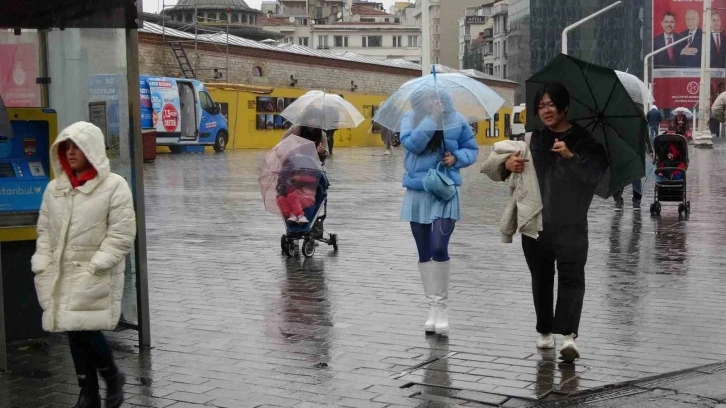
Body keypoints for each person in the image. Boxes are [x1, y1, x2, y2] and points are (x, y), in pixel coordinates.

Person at [490, 82, 607, 362]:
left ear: (564, 106)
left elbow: (596, 176)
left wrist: (571, 156)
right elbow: (504, 169)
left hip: (572, 223)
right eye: (541, 106)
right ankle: (544, 330)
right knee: (541, 279)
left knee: (572, 278)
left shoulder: (584, 139)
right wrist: (508, 167)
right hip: (537, 222)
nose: (546, 110)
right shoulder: (533, 139)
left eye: (551, 104)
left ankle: (568, 336)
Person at [31, 122, 136, 408]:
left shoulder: (115, 186)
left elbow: (122, 233)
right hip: (61, 274)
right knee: (73, 330)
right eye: (67, 146)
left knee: (85, 330)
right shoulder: (55, 189)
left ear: (91, 149)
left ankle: (111, 376)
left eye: (77, 146)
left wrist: (97, 264)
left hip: (94, 273)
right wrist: (42, 263)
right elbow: (44, 231)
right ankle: (88, 390)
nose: (71, 152)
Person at [401, 88, 479, 336]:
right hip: (417, 191)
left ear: (444, 98)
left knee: (438, 247)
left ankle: (442, 309)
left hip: (445, 190)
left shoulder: (456, 120)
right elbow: (412, 144)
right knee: (423, 251)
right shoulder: (410, 118)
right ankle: (432, 308)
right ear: (419, 100)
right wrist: (432, 118)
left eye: (436, 97)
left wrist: (457, 158)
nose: (432, 101)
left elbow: (472, 149)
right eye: (427, 97)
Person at [613, 128, 654, 211]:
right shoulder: (618, 117)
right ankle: (618, 199)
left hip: (637, 151)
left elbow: (645, 132)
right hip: (622, 151)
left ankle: (636, 200)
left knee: (636, 176)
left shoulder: (639, 117)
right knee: (619, 178)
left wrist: (650, 149)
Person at [276, 160, 319, 224]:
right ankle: (291, 215)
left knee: (291, 196)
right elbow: (287, 191)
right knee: (280, 199)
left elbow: (312, 179)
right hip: (294, 199)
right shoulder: (291, 179)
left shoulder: (311, 177)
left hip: (307, 198)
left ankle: (301, 215)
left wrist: (299, 178)